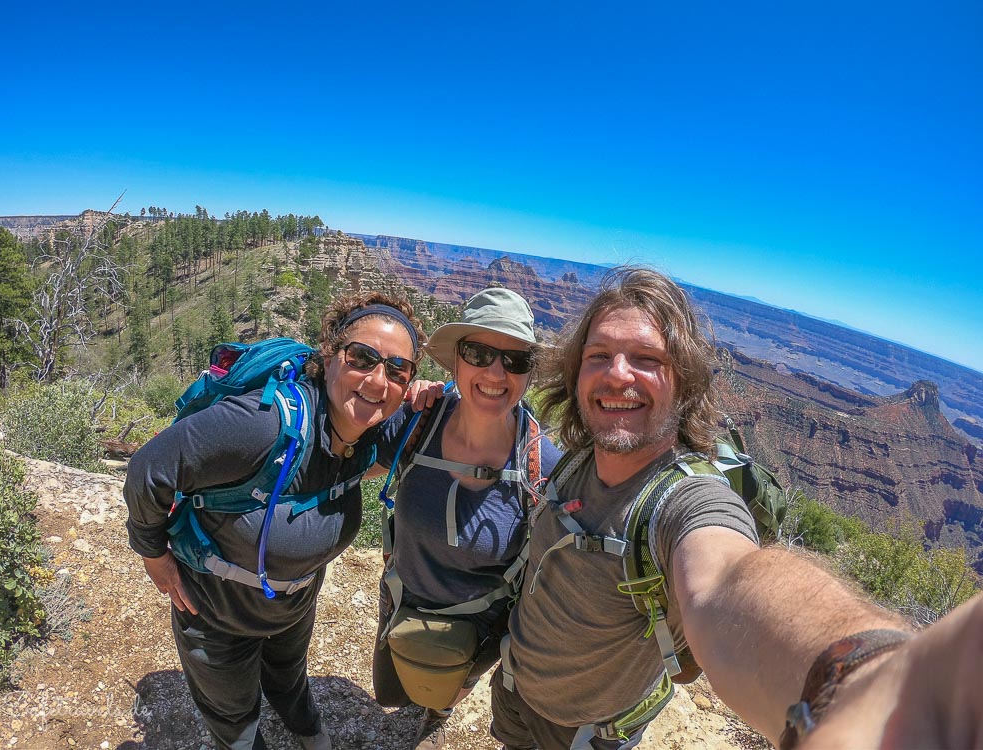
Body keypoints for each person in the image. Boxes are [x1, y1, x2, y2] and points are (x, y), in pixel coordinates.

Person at [487, 266, 971, 750]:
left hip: (581, 735)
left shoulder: (685, 501)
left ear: (685, 383)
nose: (617, 374)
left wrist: (873, 686)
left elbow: (725, 578)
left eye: (646, 357)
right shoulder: (578, 457)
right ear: (576, 373)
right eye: (599, 355)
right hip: (513, 692)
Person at [124, 291, 429, 750]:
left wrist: (435, 402)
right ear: (329, 358)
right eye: (362, 357)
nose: (377, 379)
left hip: (294, 603)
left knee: (288, 677)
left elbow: (456, 432)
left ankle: (304, 724)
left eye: (397, 370)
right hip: (216, 613)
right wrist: (153, 553)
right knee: (235, 721)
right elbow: (150, 468)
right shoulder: (262, 425)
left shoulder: (371, 430)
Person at [368, 287, 562, 749]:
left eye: (514, 360)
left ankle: (440, 710)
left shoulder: (543, 465)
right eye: (479, 352)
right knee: (394, 686)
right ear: (455, 360)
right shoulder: (418, 423)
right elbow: (343, 458)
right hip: (401, 601)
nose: (496, 372)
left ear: (529, 374)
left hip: (479, 627)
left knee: (447, 688)